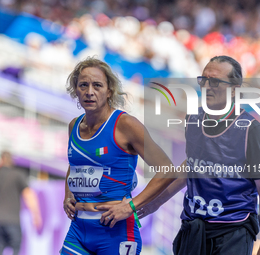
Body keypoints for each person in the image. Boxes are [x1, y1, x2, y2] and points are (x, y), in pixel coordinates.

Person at [98, 56, 260, 255]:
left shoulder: (250, 129)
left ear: (234, 89)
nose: (207, 86)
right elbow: (191, 168)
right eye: (203, 80)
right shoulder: (193, 119)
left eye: (215, 81)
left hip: (233, 228)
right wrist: (155, 202)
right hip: (193, 225)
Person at [62, 57, 179, 255]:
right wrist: (67, 195)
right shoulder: (74, 125)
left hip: (116, 231)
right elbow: (75, 166)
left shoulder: (125, 125)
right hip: (79, 229)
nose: (90, 92)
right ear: (76, 90)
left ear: (109, 91)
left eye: (97, 85)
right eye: (83, 85)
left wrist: (131, 206)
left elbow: (168, 170)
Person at [0, 151, 42, 255]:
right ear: (11, 161)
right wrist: (36, 215)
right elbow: (29, 195)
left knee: (0, 249)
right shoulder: (18, 175)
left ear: (1, 161)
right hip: (13, 219)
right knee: (16, 249)